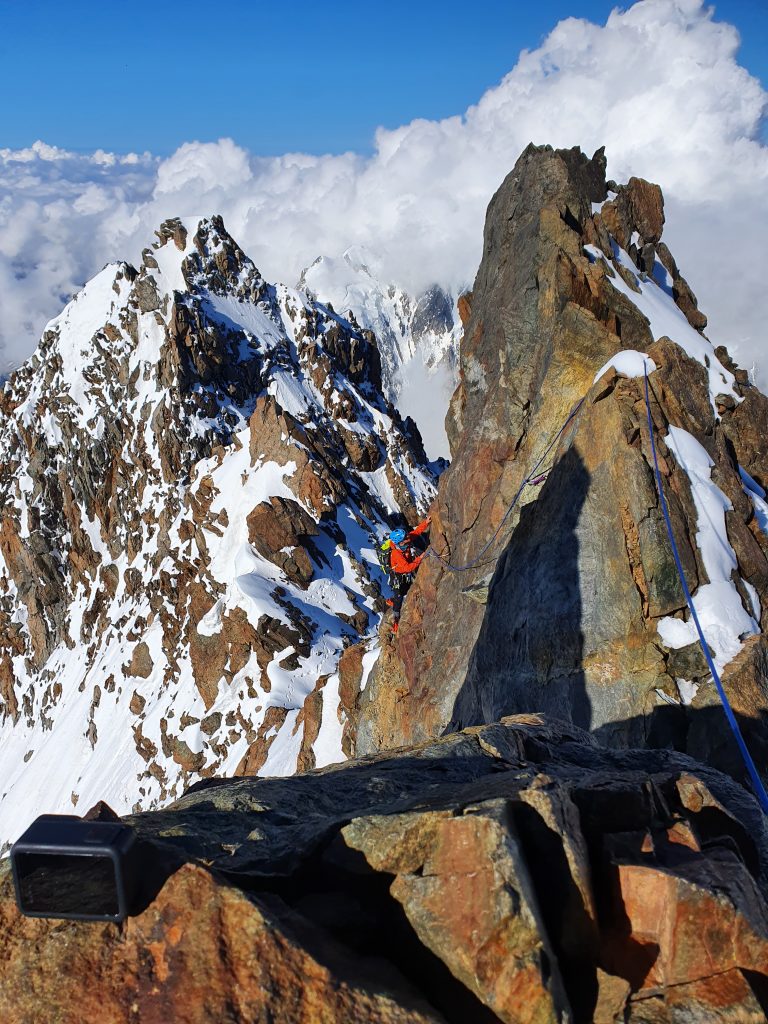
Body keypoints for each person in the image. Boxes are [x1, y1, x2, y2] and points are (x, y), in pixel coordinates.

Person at [383, 516, 431, 634]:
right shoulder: (396, 554)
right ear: (399, 542)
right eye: (405, 539)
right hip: (398, 576)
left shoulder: (404, 542)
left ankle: (392, 599)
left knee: (408, 589)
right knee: (399, 598)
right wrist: (420, 558)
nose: (408, 539)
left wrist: (426, 522)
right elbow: (407, 567)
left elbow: (416, 532)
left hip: (404, 573)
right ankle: (396, 620)